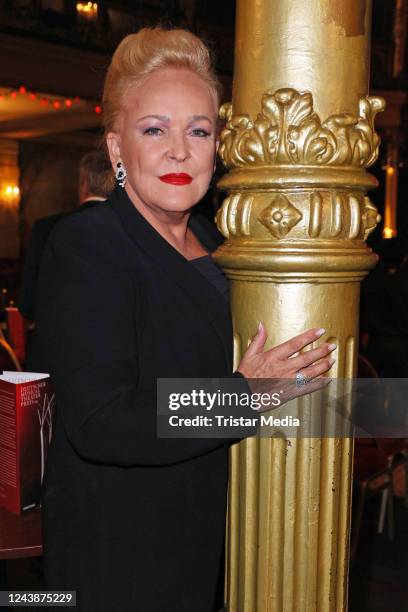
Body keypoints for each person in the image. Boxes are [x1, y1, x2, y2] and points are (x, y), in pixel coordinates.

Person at [30, 28, 336, 612]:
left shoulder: (221, 243)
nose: (180, 150)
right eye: (155, 130)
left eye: (198, 130)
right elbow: (101, 420)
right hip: (125, 552)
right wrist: (245, 397)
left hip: (219, 538)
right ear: (117, 149)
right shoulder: (89, 244)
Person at [18, 149, 113, 323]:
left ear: (83, 184)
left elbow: (27, 304)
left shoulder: (46, 228)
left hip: (57, 342)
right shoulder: (133, 228)